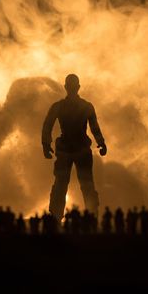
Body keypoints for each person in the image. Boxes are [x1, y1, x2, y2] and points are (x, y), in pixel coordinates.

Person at [42, 74, 107, 221]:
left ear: (68, 87)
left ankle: (61, 218)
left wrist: (46, 144)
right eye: (71, 86)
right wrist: (101, 142)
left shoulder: (60, 107)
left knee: (70, 185)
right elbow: (95, 128)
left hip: (71, 150)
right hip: (78, 150)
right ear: (77, 87)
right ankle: (88, 218)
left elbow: (47, 126)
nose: (71, 89)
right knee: (79, 185)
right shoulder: (85, 106)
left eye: (72, 86)